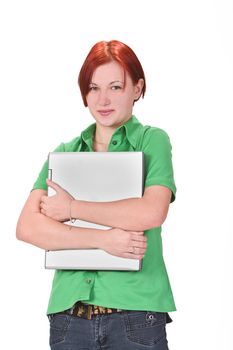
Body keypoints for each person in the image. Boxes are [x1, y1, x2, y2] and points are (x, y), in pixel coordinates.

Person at [16, 40, 177, 350]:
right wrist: (104, 239)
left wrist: (72, 208)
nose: (103, 99)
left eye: (115, 87)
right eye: (93, 88)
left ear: (137, 88)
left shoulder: (151, 141)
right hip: (69, 319)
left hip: (136, 314)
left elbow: (151, 212)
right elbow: (28, 228)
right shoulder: (63, 155)